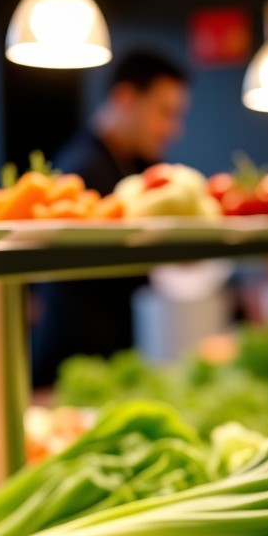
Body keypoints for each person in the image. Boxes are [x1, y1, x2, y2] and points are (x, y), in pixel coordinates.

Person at [31, 49, 191, 386]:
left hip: (117, 361)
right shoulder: (81, 170)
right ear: (126, 98)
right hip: (69, 367)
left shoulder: (136, 166)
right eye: (165, 113)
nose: (173, 129)